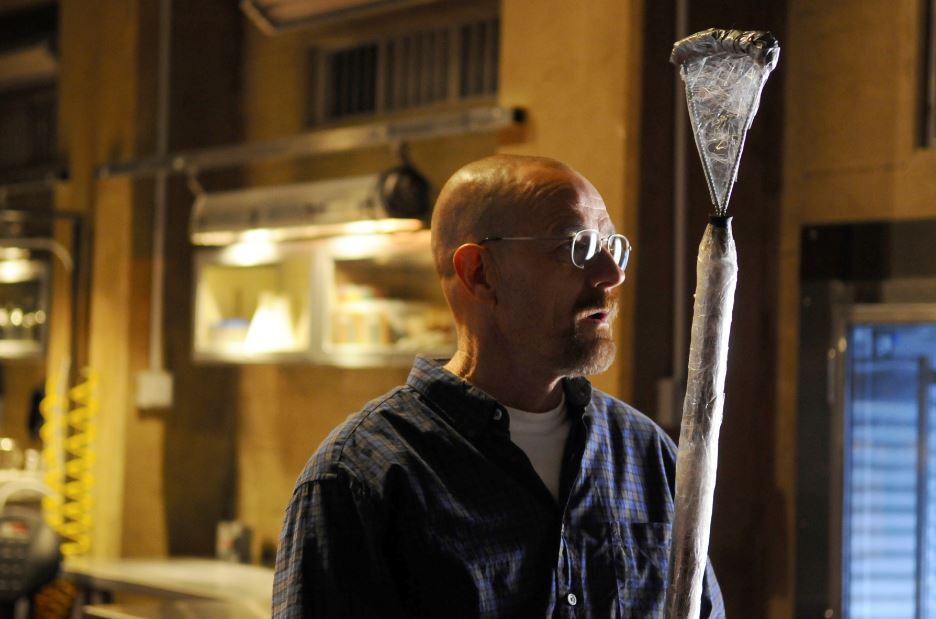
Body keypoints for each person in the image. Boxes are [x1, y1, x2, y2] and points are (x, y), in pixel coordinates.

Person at [272, 154, 725, 617]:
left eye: (611, 244)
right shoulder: (359, 481)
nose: (613, 273)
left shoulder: (646, 454)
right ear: (480, 273)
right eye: (578, 246)